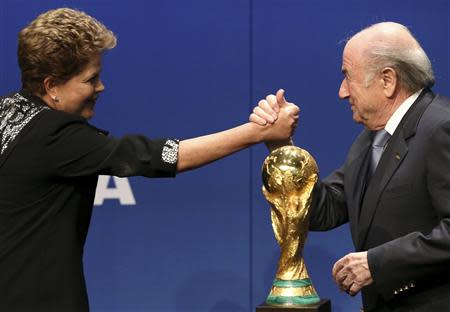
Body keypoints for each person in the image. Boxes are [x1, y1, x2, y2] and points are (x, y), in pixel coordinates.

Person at [0, 8, 299, 312]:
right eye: (91, 79)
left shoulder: (7, 111)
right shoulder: (55, 135)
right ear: (52, 87)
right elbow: (160, 157)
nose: (100, 87)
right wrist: (257, 132)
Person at [251, 22, 450, 311]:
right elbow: (325, 209)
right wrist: (282, 147)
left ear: (387, 80)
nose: (342, 92)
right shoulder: (372, 139)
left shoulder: (441, 128)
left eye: (348, 76)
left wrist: (376, 263)